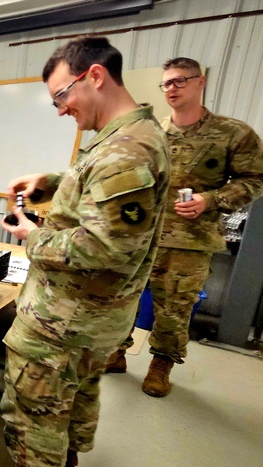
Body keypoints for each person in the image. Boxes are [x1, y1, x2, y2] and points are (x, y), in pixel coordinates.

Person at [0, 37, 170, 467]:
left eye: (62, 96)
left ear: (94, 75)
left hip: (62, 326)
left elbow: (103, 248)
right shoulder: (130, 136)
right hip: (90, 325)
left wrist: (29, 235)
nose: (61, 110)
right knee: (67, 414)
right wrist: (54, 181)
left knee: (33, 430)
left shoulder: (125, 150)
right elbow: (100, 192)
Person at [108, 58, 263, 396]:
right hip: (140, 236)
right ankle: (116, 353)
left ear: (200, 82)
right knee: (122, 299)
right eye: (167, 83)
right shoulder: (152, 132)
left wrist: (211, 200)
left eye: (180, 81)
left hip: (188, 240)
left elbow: (256, 179)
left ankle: (160, 365)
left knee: (174, 308)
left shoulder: (232, 133)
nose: (172, 89)